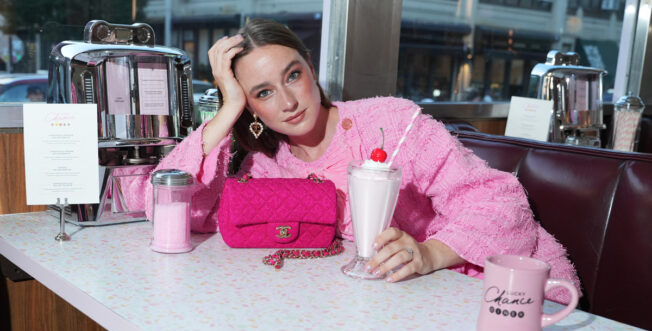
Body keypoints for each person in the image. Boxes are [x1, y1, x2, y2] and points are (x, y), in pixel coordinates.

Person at [135, 19, 580, 304]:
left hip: (497, 289)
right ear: (252, 108)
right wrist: (226, 109)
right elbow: (167, 210)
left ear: (310, 67)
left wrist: (428, 254)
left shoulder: (391, 123)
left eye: (293, 75)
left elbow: (501, 202)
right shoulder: (267, 165)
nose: (289, 101)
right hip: (387, 308)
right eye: (263, 93)